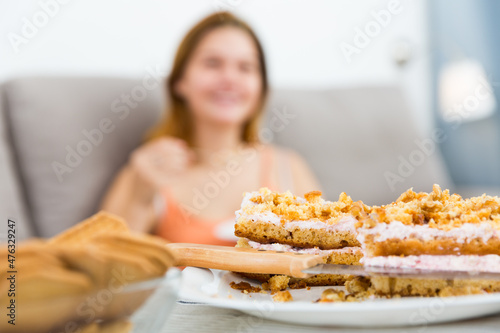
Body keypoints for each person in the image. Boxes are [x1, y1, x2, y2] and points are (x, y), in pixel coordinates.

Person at [101, 11, 320, 246]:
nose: (229, 78)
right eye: (212, 63)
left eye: (246, 67)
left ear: (261, 89)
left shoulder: (288, 167)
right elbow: (105, 270)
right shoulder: (147, 170)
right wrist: (139, 197)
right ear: (179, 82)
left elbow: (322, 259)